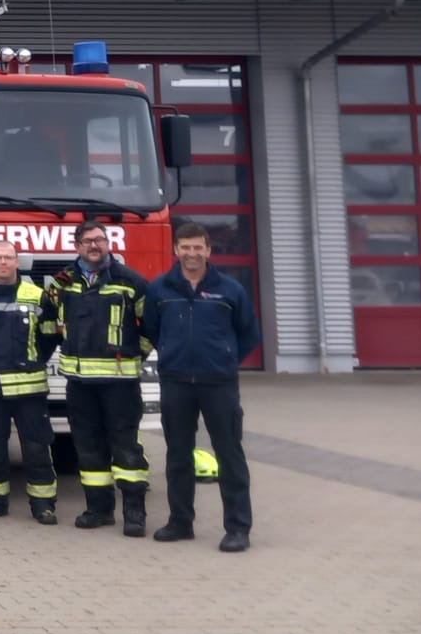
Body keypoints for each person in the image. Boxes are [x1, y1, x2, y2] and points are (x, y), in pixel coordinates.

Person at [144, 223, 260, 552]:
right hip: (176, 382)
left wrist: (224, 359)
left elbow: (249, 334)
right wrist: (173, 354)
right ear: (176, 250)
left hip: (219, 384)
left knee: (229, 455)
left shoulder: (230, 289)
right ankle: (180, 522)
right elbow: (152, 329)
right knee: (178, 456)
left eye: (198, 247)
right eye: (185, 247)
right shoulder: (160, 288)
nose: (191, 253)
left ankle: (237, 528)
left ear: (208, 250)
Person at [43, 219, 153, 536]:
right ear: (77, 246)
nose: (95, 245)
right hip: (80, 384)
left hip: (120, 383)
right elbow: (49, 321)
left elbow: (151, 326)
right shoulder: (61, 282)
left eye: (100, 240)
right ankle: (99, 510)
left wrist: (136, 354)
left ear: (108, 244)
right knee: (88, 447)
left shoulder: (130, 281)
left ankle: (134, 514)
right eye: (88, 241)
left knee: (126, 448)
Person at [0, 240, 58, 524]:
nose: (3, 262)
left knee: (36, 447)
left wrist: (32, 362)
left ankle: (43, 505)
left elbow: (49, 337)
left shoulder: (37, 296)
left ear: (17, 262)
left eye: (8, 257)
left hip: (29, 389)